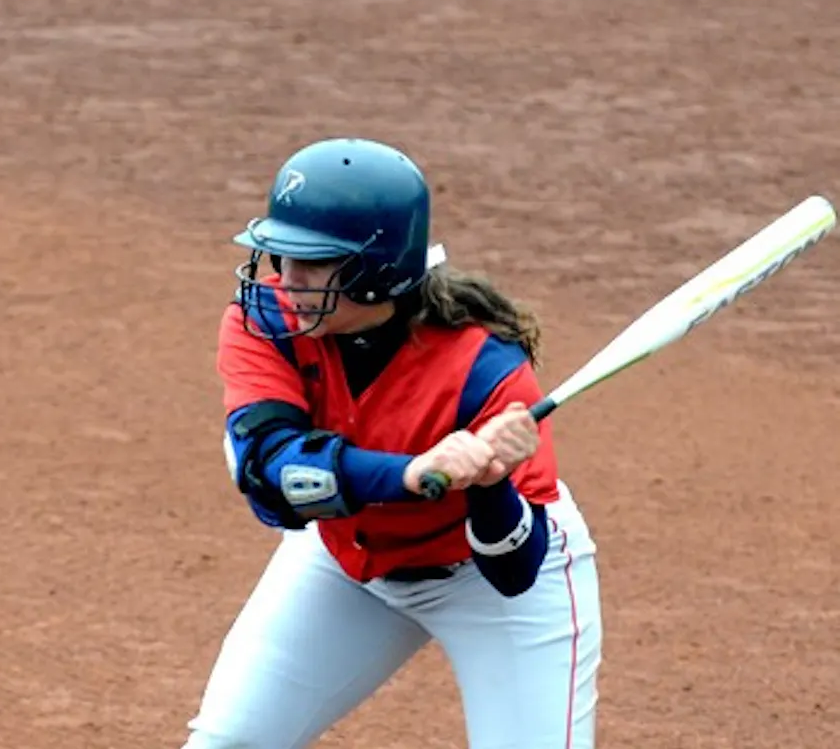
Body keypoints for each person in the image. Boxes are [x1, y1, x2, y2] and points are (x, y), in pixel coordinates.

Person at [182, 137, 602, 749]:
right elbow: (271, 476)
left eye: (312, 262)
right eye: (279, 255)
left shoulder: (486, 372)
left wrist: (488, 486)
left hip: (483, 580)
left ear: (378, 272)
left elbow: (513, 571)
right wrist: (412, 473)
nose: (286, 279)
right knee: (229, 743)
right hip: (347, 560)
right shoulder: (265, 324)